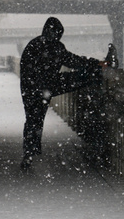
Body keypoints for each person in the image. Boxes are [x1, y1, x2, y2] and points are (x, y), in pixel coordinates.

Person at [19, 17, 107, 170]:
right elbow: (73, 61)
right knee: (78, 78)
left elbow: (25, 68)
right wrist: (94, 64)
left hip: (30, 89)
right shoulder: (56, 47)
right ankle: (98, 72)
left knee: (33, 119)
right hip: (48, 86)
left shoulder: (33, 44)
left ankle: (29, 153)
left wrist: (32, 86)